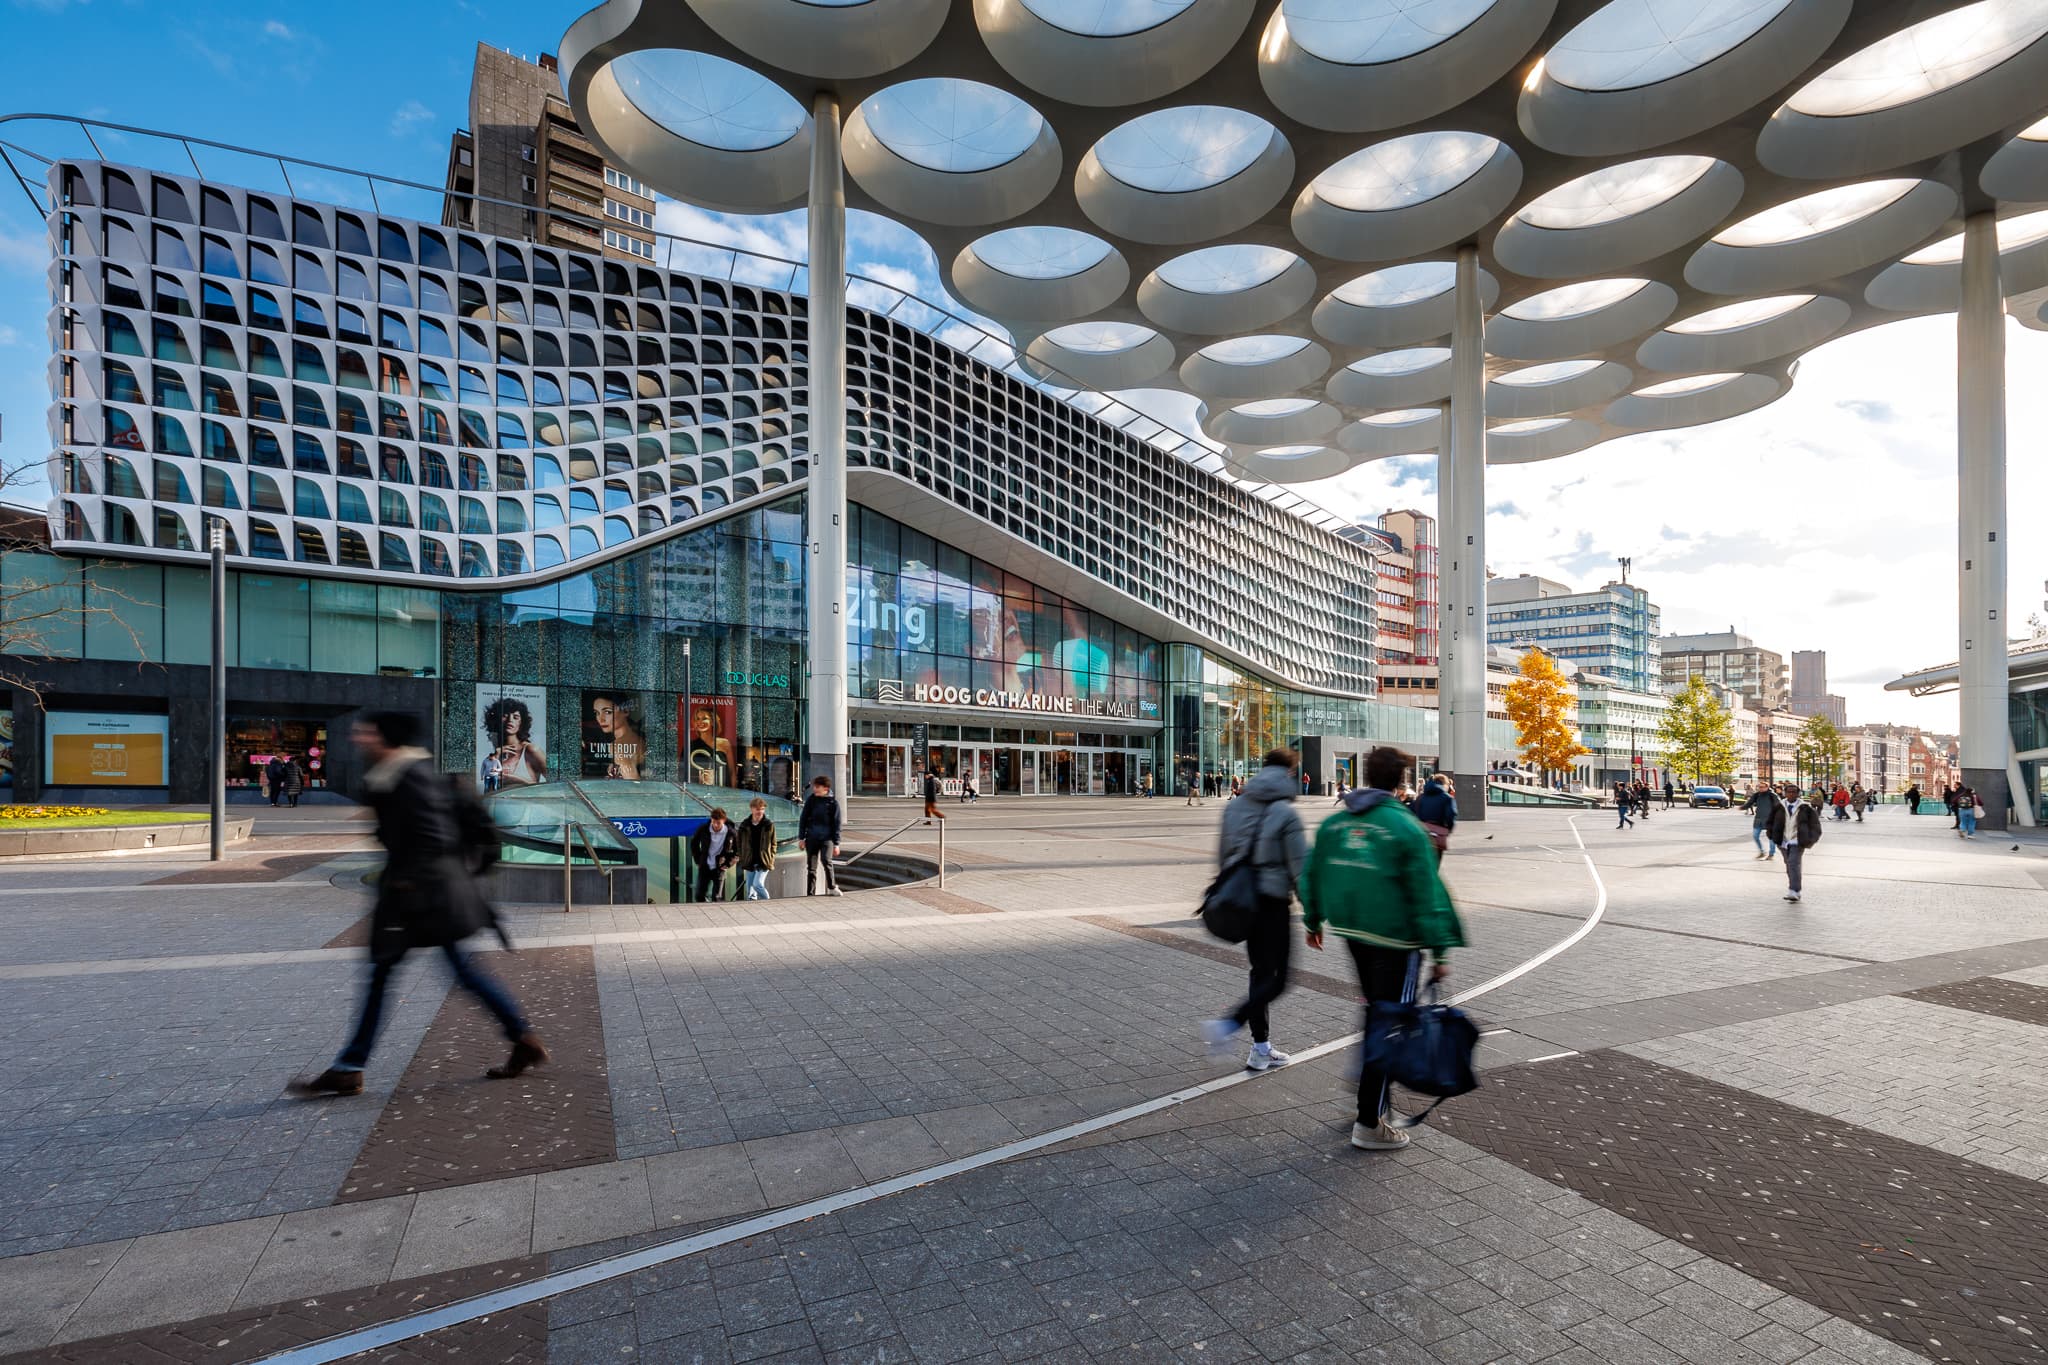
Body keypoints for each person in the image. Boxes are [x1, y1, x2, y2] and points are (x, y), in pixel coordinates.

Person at [289, 711, 543, 1097]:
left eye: (366, 733)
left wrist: (405, 888)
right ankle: (522, 1039)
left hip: (421, 900)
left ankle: (350, 1066)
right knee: (450, 971)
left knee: (399, 975)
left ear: (385, 739)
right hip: (428, 896)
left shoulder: (407, 778)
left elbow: (430, 838)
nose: (359, 740)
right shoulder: (400, 775)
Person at [1300, 745, 1466, 1151]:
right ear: (1401, 781)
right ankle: (1369, 1121)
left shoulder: (1336, 823)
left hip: (1354, 933)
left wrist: (1313, 920)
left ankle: (1372, 1099)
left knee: (1378, 1013)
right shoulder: (1406, 828)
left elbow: (1311, 871)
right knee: (1389, 1025)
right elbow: (1427, 893)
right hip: (1397, 940)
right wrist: (1441, 952)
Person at [1201, 749, 1309, 1073]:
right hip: (1274, 903)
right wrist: (1313, 914)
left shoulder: (1234, 807)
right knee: (1280, 979)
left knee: (1260, 973)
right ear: (1289, 774)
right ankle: (1229, 1024)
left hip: (1245, 902)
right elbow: (1301, 870)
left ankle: (1260, 1049)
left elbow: (1223, 857)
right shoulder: (1286, 814)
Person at [1765, 780, 1822, 902]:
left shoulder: (1805, 808)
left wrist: (1809, 840)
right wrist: (1772, 835)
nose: (1791, 794)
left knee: (1793, 864)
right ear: (1785, 793)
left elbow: (1816, 826)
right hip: (1783, 841)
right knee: (1790, 865)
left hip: (1797, 841)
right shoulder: (1779, 806)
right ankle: (1795, 889)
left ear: (1798, 794)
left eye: (1794, 792)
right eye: (1789, 792)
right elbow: (1770, 822)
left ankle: (1794, 890)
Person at [482, 696, 547, 787]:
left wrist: (516, 780)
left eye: (515, 717)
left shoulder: (531, 750)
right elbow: (488, 792)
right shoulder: (496, 754)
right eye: (505, 716)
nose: (510, 720)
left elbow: (555, 785)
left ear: (521, 722)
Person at [801, 775, 844, 897]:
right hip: (812, 838)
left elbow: (837, 823)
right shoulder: (811, 800)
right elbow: (803, 819)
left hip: (827, 838)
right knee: (811, 867)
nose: (814, 789)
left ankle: (831, 887)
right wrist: (801, 837)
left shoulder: (833, 803)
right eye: (814, 786)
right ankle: (810, 893)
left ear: (825, 788)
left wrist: (836, 843)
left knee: (826, 860)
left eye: (817, 787)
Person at [689, 807, 737, 902]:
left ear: (723, 821)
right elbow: (694, 843)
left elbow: (738, 851)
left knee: (717, 897)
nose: (715, 825)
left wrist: (728, 864)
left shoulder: (731, 833)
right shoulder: (703, 829)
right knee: (699, 895)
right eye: (713, 822)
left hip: (720, 866)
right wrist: (698, 860)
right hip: (705, 866)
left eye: (718, 823)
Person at [733, 797, 776, 900]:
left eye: (762, 809)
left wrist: (771, 857)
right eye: (757, 809)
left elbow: (773, 843)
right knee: (750, 892)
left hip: (764, 860)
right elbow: (739, 842)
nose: (760, 811)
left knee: (757, 884)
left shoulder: (768, 825)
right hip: (750, 861)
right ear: (752, 809)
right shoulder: (744, 825)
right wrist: (741, 855)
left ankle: (769, 902)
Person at [1411, 772, 1457, 865]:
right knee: (1435, 865)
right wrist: (1448, 830)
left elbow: (1412, 812)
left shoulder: (1421, 797)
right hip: (1437, 836)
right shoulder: (1447, 798)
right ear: (1444, 784)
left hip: (1420, 834)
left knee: (1421, 864)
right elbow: (1450, 815)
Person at [1744, 783, 1776, 859]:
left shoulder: (1772, 795)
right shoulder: (1756, 795)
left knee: (1771, 838)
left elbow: (1778, 805)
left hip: (1770, 819)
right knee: (1755, 836)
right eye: (1759, 787)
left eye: (1762, 787)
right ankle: (1762, 852)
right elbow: (1750, 803)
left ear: (1767, 787)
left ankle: (1771, 854)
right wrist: (1743, 807)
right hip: (1758, 819)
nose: (1760, 788)